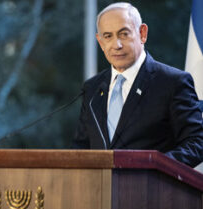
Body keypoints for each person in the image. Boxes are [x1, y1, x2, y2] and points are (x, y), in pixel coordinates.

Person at [72, 2, 203, 167]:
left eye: (124, 34)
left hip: (153, 189)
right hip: (98, 190)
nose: (116, 45)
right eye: (108, 36)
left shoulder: (172, 82)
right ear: (100, 41)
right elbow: (81, 148)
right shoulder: (92, 88)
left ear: (142, 33)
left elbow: (197, 143)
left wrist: (156, 167)